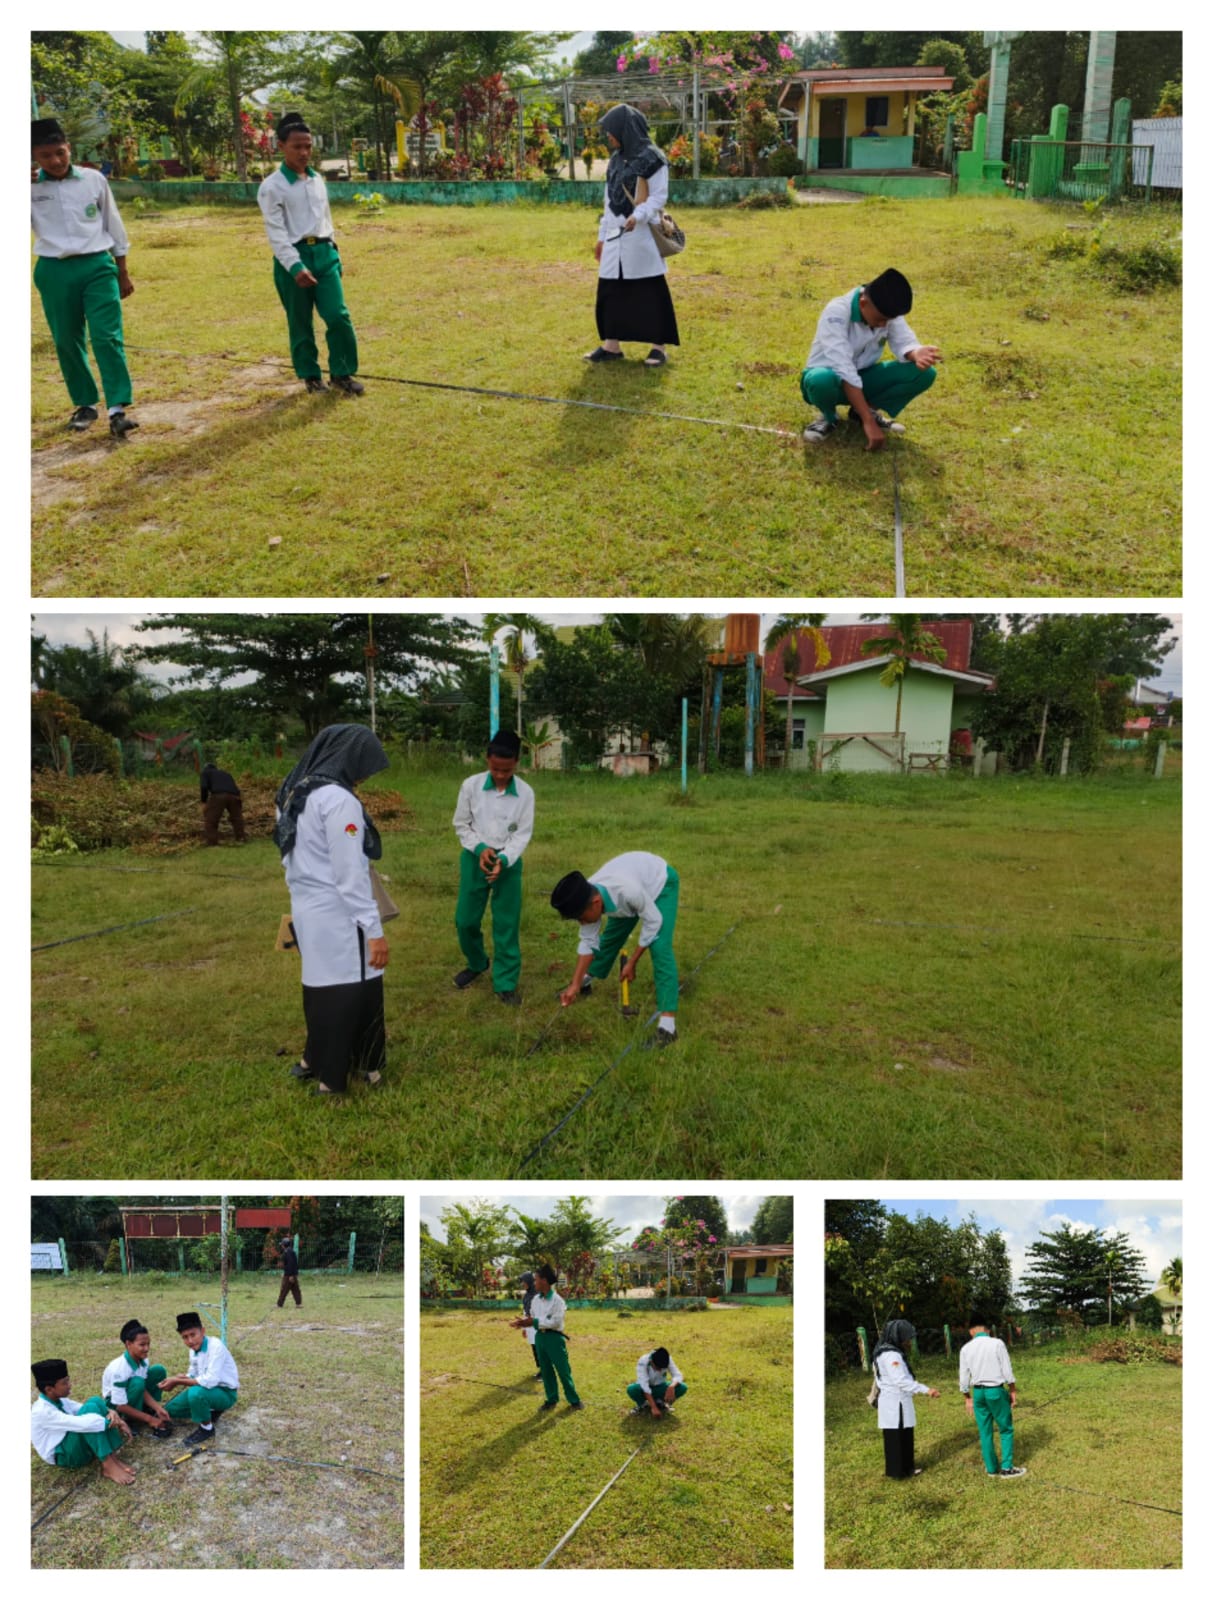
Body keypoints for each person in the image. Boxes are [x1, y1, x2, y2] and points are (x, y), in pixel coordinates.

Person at [274, 724, 390, 1095]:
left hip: (308, 908)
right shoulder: (339, 801)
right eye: (364, 766)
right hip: (341, 914)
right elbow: (350, 874)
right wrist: (374, 930)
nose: (365, 776)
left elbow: (289, 860)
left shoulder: (294, 792)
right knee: (354, 989)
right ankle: (335, 1077)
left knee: (320, 988)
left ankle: (315, 1058)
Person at [30, 118, 138, 439]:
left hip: (98, 267)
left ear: (69, 149)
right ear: (34, 156)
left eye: (60, 152)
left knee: (107, 337)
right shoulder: (28, 186)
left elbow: (112, 223)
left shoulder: (92, 180)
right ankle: (86, 404)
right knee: (67, 339)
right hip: (54, 270)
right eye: (46, 156)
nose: (56, 161)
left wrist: (122, 270)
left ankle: (118, 409)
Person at [257, 113, 364, 397]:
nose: (304, 153)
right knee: (300, 321)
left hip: (324, 253)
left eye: (308, 146)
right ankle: (311, 377)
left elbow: (325, 219)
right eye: (297, 146)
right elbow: (276, 233)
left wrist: (334, 252)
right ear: (281, 145)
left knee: (338, 316)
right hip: (294, 257)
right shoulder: (272, 187)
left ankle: (342, 372)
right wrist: (295, 266)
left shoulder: (317, 180)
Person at [550, 851, 681, 1046]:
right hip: (632, 890)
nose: (581, 922)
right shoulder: (589, 894)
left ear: (596, 903)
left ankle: (668, 1027)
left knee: (660, 947)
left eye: (581, 918)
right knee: (610, 937)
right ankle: (587, 980)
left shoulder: (628, 891)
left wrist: (632, 962)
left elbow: (653, 923)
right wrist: (575, 983)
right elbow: (588, 942)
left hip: (660, 884)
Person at [800, 268, 941, 449]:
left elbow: (903, 341)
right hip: (830, 379)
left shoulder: (885, 311)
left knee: (923, 373)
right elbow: (843, 367)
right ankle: (828, 417)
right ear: (863, 302)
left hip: (863, 378)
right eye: (880, 319)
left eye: (888, 320)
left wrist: (915, 353)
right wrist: (869, 423)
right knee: (821, 379)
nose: (883, 325)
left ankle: (861, 411)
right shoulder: (836, 312)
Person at [585, 104, 680, 369]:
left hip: (640, 236)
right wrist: (602, 236)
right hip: (615, 234)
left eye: (611, 131)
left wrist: (638, 215)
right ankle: (611, 346)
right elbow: (608, 201)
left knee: (649, 290)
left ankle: (658, 348)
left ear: (624, 129)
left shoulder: (653, 158)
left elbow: (659, 196)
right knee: (610, 291)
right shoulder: (616, 159)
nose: (608, 136)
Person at [451, 728, 535, 1007]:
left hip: (507, 863)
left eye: (507, 770)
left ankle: (506, 982)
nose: (501, 775)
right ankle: (477, 963)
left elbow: (522, 834)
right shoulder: (470, 786)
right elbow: (461, 824)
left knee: (506, 923)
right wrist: (479, 849)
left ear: (516, 763)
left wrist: (504, 859)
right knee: (465, 920)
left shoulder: (525, 794)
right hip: (475, 858)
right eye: (496, 769)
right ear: (487, 759)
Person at [31, 1358, 136, 1484]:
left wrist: (111, 1412)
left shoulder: (60, 1400)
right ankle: (108, 1465)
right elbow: (83, 1423)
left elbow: (85, 1408)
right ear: (49, 1389)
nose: (70, 1385)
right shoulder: (42, 1412)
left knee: (95, 1401)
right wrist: (116, 1422)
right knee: (89, 1420)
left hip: (72, 1443)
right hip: (63, 1456)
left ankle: (112, 1457)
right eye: (65, 1383)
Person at [959, 1313, 1026, 1479]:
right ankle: (1007, 1468)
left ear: (971, 1331)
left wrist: (967, 1397)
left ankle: (991, 1468)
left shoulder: (966, 1348)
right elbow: (1007, 1370)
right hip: (995, 1390)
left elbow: (963, 1376)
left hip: (978, 1393)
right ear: (987, 1330)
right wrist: (1012, 1391)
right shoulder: (997, 1344)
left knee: (985, 1431)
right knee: (1005, 1428)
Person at [509, 1266, 584, 1411]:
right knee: (546, 1370)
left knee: (563, 1370)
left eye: (536, 1279)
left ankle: (574, 1400)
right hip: (540, 1338)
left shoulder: (557, 1301)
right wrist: (522, 1323)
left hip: (554, 1338)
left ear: (544, 1281)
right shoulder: (536, 1300)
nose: (534, 1282)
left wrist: (534, 1322)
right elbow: (531, 1316)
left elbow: (556, 1322)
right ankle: (551, 1399)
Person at [872, 1318, 939, 1479]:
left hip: (896, 1400)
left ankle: (905, 1468)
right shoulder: (890, 1355)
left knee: (903, 1435)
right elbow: (901, 1380)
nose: (909, 1342)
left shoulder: (884, 1351)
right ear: (898, 1337)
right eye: (907, 1338)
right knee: (897, 1436)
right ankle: (899, 1471)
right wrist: (926, 1390)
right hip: (896, 1402)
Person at [161, 1311, 239, 1446]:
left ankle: (206, 1429)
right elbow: (194, 1373)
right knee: (170, 1410)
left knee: (195, 1393)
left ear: (202, 1331)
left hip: (225, 1393)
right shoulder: (193, 1350)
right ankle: (211, 1411)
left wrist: (178, 1381)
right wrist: (179, 1378)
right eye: (185, 1337)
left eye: (193, 1335)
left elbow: (211, 1380)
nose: (190, 1341)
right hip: (207, 1390)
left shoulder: (216, 1346)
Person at [101, 1319, 174, 1437]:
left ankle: (145, 1409)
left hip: (133, 1390)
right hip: (115, 1404)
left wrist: (157, 1408)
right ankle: (130, 1419)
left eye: (148, 1344)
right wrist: (150, 1420)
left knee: (158, 1371)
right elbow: (120, 1405)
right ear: (128, 1344)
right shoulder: (119, 1369)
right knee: (137, 1382)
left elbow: (143, 1388)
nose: (147, 1348)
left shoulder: (143, 1359)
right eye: (142, 1345)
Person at [627, 1345, 687, 1418]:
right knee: (632, 1389)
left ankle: (663, 1403)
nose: (659, 1370)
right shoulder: (643, 1361)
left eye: (662, 1368)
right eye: (657, 1368)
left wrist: (671, 1387)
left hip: (660, 1387)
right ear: (651, 1361)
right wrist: (654, 1407)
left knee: (682, 1387)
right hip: (645, 1390)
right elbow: (644, 1385)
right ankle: (643, 1404)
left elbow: (678, 1375)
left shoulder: (667, 1359)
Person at [200, 762, 246, 845]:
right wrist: (238, 805)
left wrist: (204, 802)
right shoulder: (226, 774)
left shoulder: (205, 772)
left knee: (211, 819)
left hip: (218, 795)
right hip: (234, 795)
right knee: (237, 819)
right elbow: (235, 787)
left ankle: (212, 841)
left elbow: (204, 787)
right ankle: (241, 838)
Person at [518, 1272, 543, 1378]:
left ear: (529, 1281)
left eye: (524, 1281)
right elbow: (525, 1311)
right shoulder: (526, 1296)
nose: (522, 1284)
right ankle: (541, 1369)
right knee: (535, 1349)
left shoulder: (538, 1295)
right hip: (529, 1327)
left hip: (537, 1325)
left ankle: (545, 1372)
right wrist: (524, 1328)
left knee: (541, 1350)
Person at [277, 1238, 302, 1307]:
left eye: (282, 1244)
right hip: (292, 1274)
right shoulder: (291, 1251)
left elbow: (290, 1264)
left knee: (284, 1289)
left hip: (289, 1275)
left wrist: (290, 1275)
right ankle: (298, 1303)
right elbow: (294, 1264)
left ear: (284, 1245)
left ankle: (279, 1304)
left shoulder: (288, 1252)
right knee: (295, 1289)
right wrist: (294, 1274)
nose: (281, 1246)